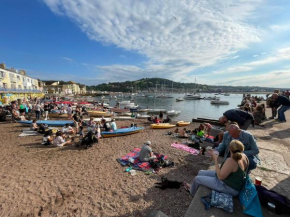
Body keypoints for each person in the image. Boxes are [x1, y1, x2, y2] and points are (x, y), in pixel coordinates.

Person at [184, 140, 249, 197]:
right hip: (230, 180)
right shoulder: (244, 156)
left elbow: (220, 177)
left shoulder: (231, 160)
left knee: (197, 179)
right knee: (200, 172)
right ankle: (193, 187)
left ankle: (192, 193)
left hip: (229, 187)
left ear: (229, 149)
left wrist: (215, 159)